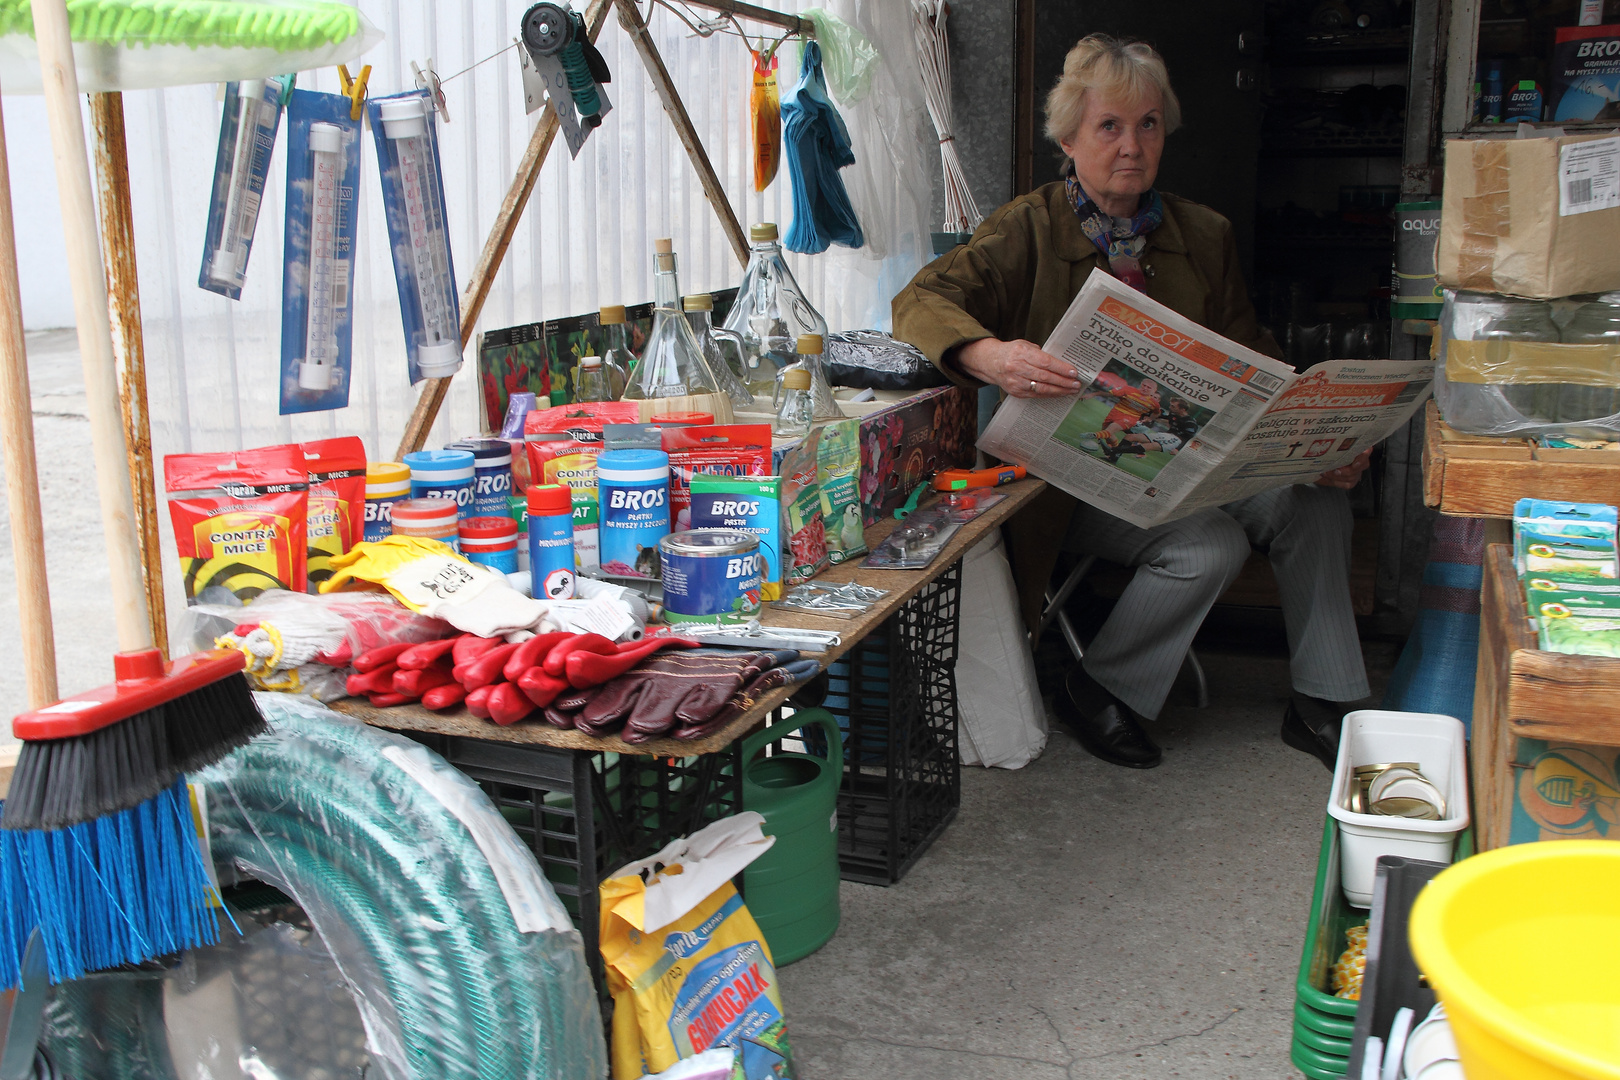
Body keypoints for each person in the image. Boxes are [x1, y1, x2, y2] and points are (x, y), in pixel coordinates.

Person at [892, 34, 1372, 771]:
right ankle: (1101, 687)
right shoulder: (1027, 228)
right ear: (1069, 136)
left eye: (1148, 124)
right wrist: (992, 356)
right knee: (1207, 545)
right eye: (1109, 126)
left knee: (1315, 502)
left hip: (1190, 465)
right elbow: (920, 300)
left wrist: (1313, 446)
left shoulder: (1202, 235)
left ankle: (1325, 702)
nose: (1131, 145)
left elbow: (1254, 360)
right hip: (1072, 479)